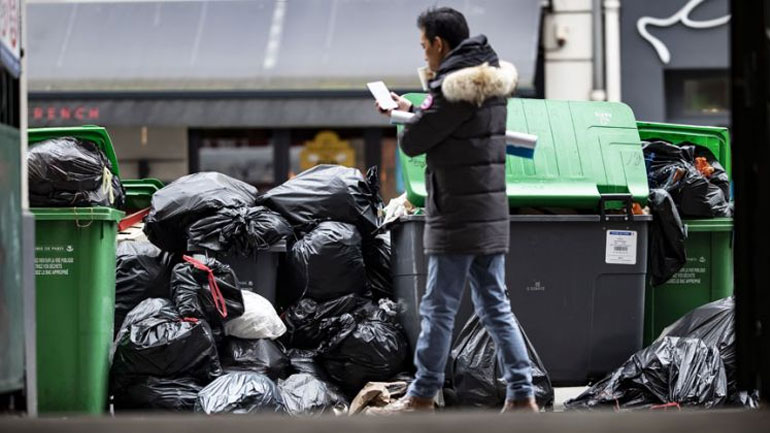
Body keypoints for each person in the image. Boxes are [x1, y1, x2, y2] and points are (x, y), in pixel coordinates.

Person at [372, 7, 537, 414]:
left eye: (425, 45)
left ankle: (423, 394)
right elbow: (449, 127)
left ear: (440, 45)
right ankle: (522, 394)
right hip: (488, 213)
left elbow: (415, 144)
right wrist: (411, 109)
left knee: (438, 308)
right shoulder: (487, 84)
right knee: (495, 306)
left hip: (457, 215)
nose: (424, 54)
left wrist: (408, 116)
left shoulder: (448, 88)